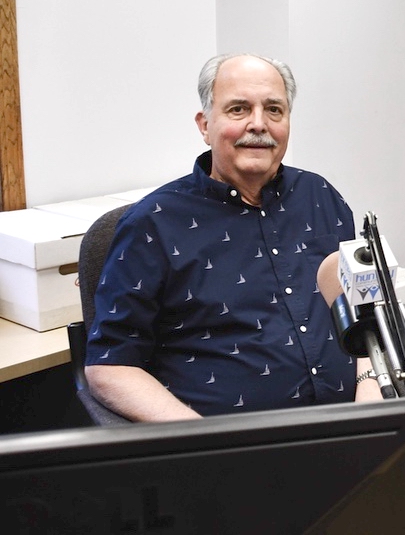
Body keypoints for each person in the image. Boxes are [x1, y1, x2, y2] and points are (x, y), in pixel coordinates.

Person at [85, 54, 380, 421]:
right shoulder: (153, 224)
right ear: (205, 124)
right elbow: (109, 366)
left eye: (274, 110)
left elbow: (360, 312)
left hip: (352, 434)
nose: (259, 124)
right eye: (239, 109)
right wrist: (200, 436)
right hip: (226, 454)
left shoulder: (322, 197)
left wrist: (370, 385)